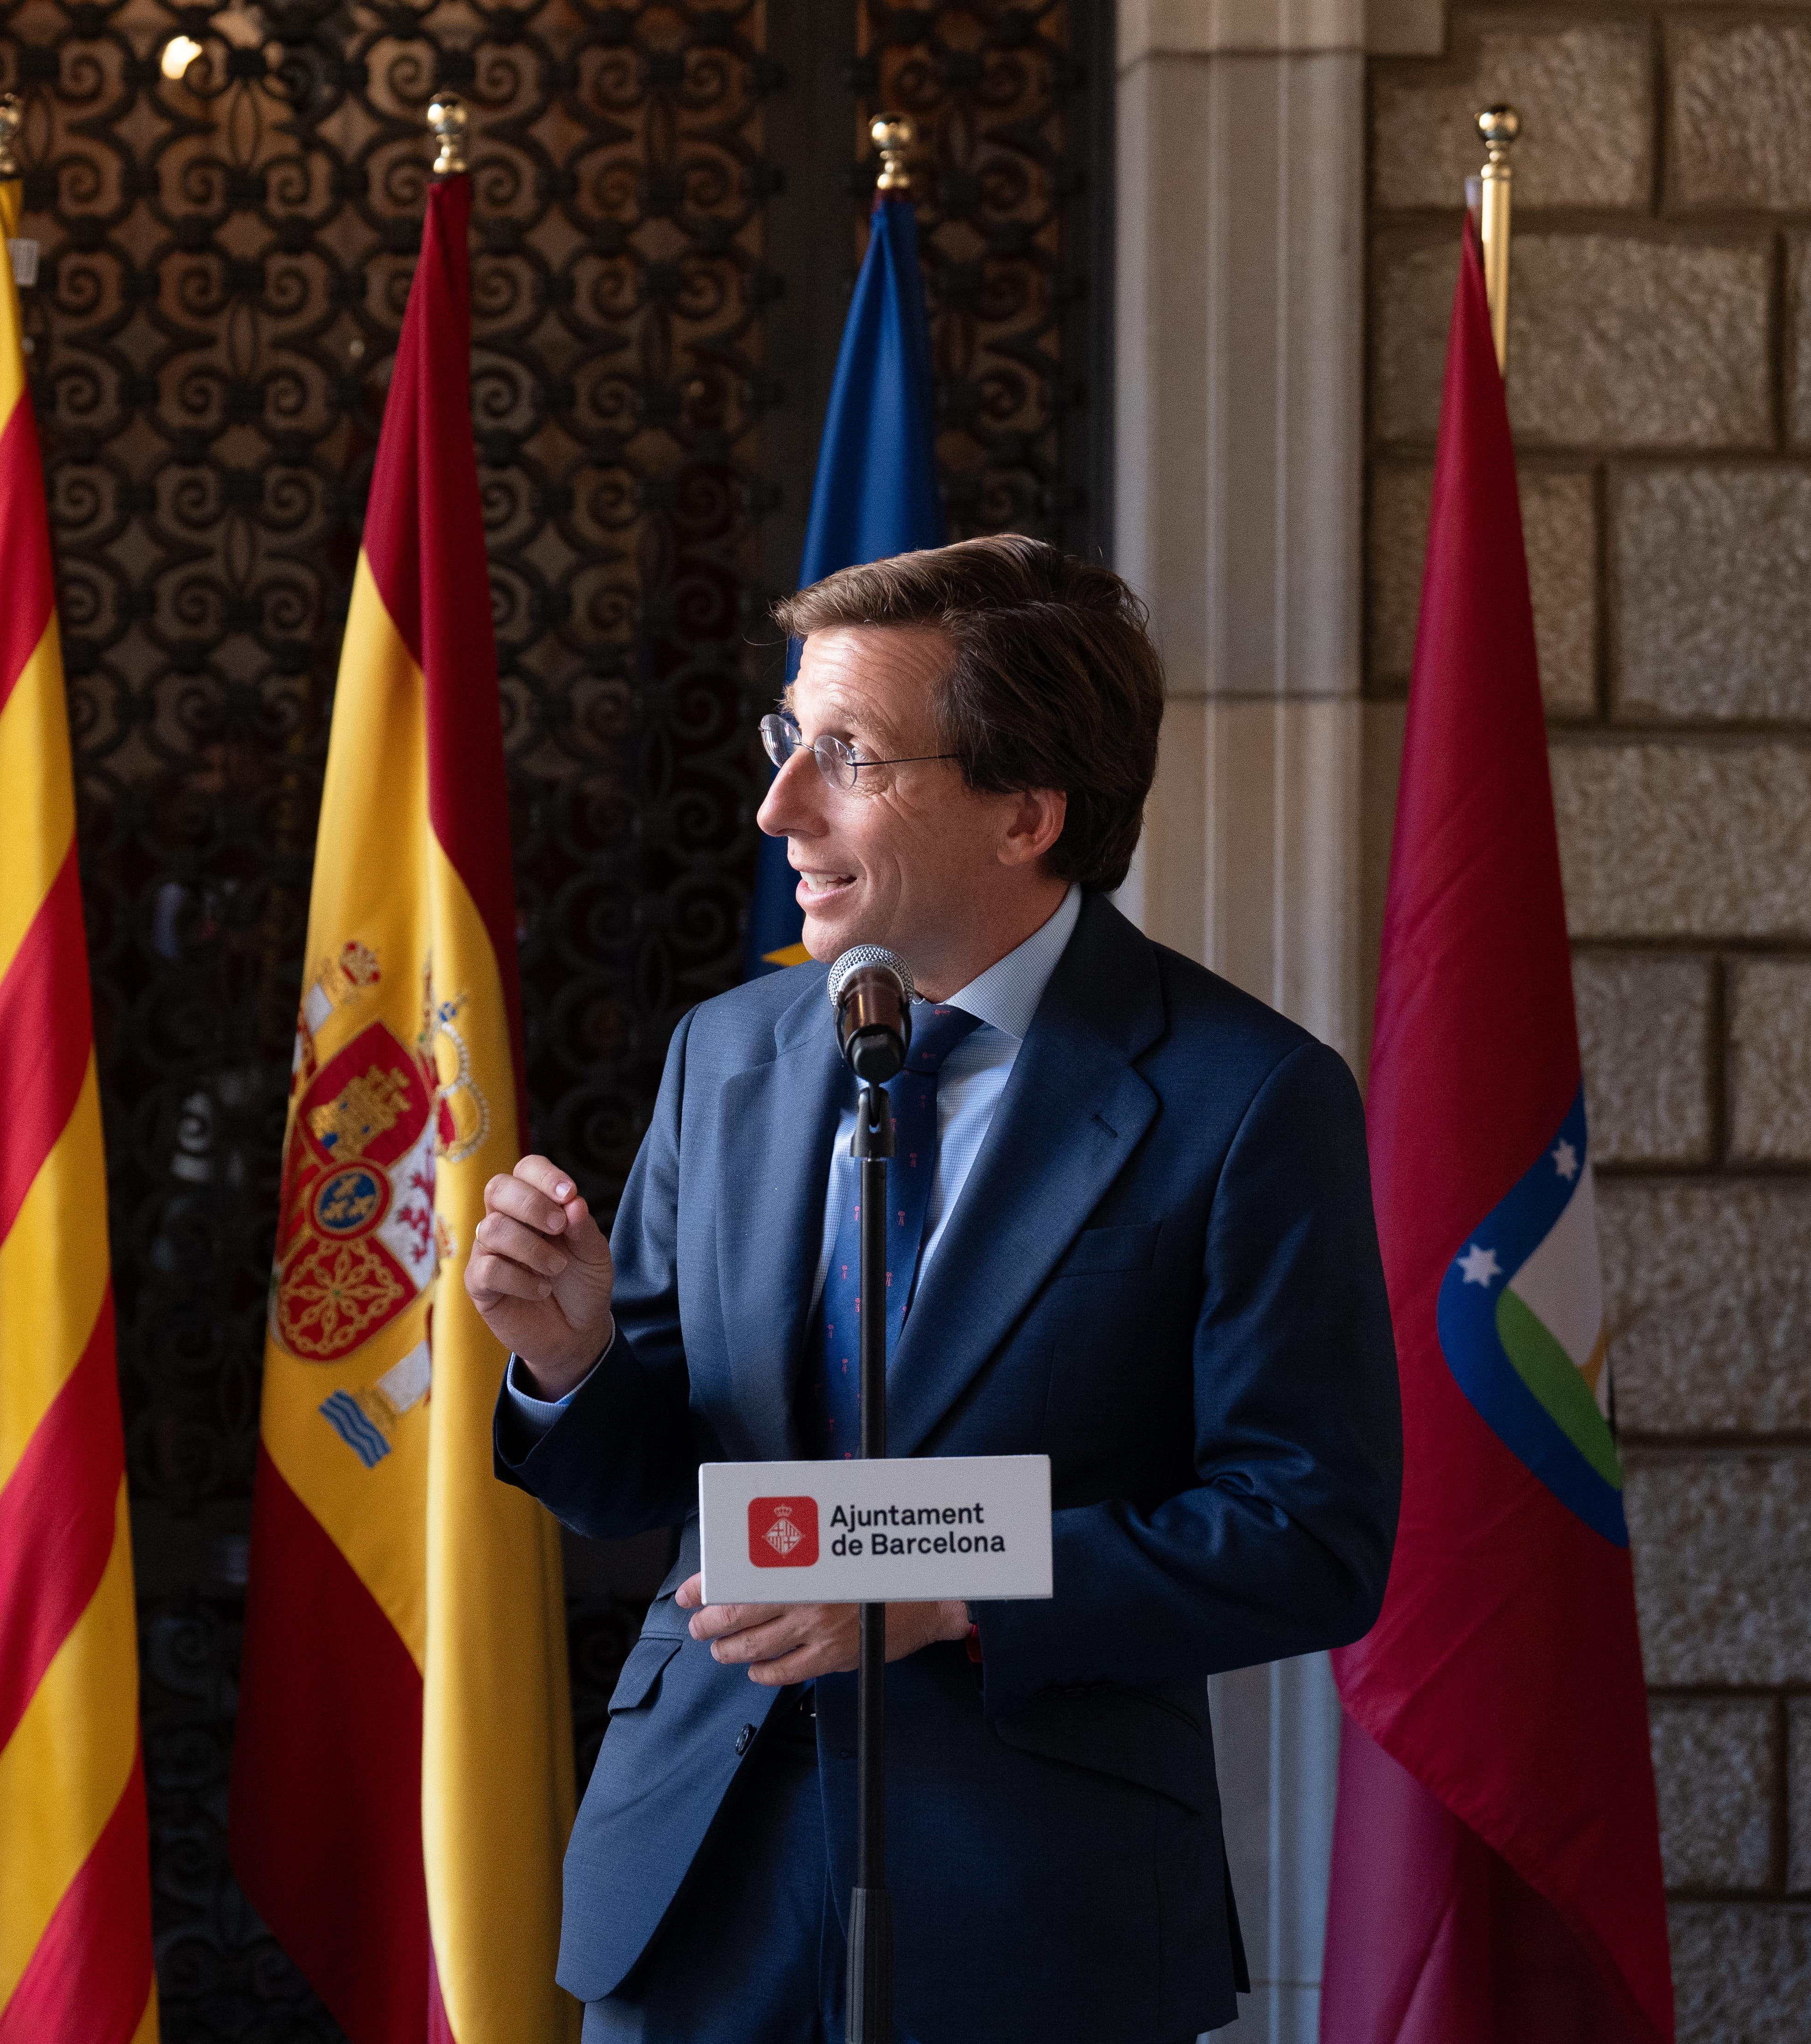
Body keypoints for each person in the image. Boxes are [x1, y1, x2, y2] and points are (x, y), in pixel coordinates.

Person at [465, 536, 1400, 2044]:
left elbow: (1312, 1529)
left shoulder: (1248, 1098)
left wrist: (943, 1590)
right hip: (701, 1876)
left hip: (1038, 1901)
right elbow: (657, 1474)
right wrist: (569, 1357)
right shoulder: (730, 1053)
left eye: (847, 757)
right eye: (790, 742)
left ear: (1027, 813)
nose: (780, 807)